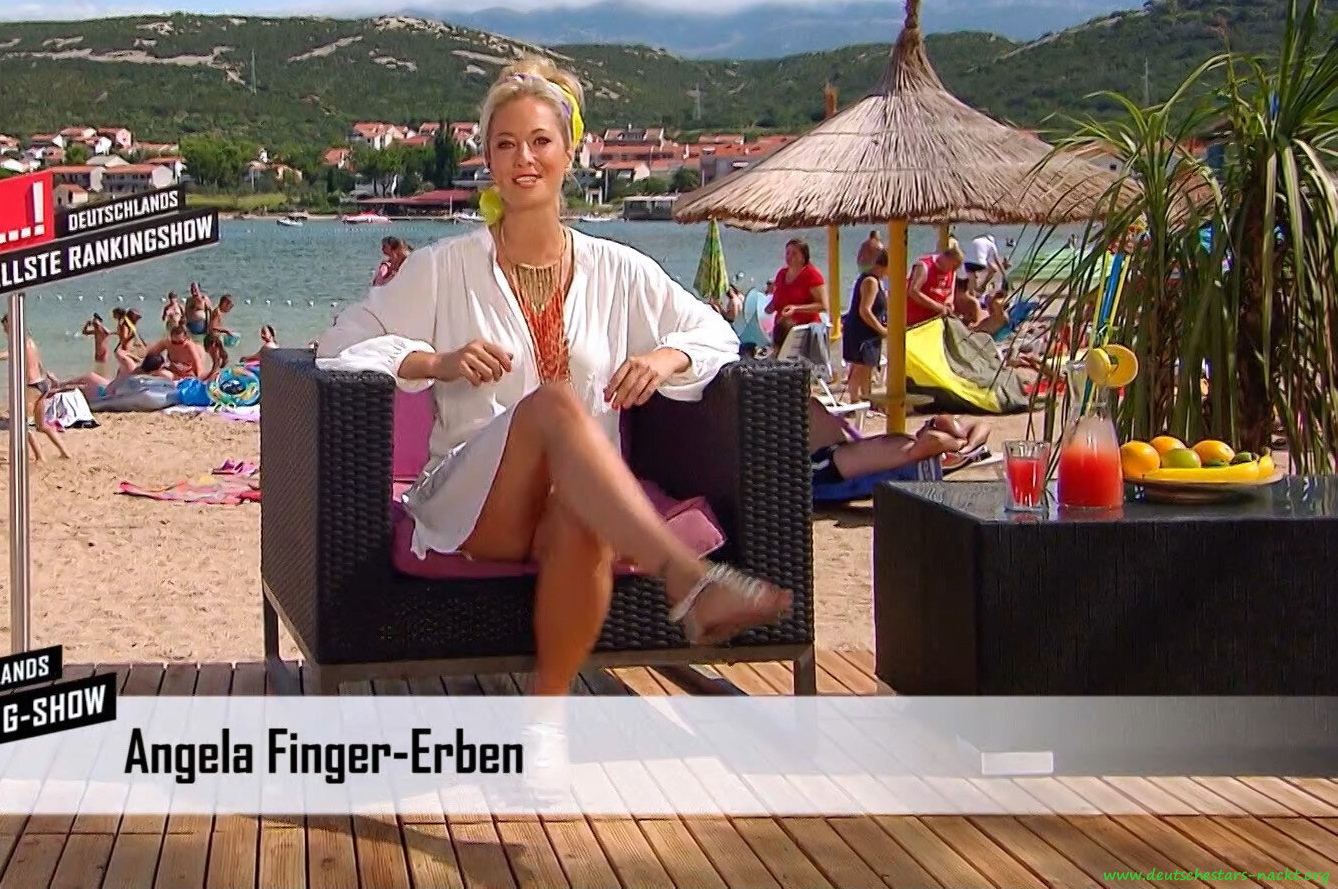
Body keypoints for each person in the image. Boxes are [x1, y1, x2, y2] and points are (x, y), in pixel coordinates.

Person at [314, 56, 792, 712]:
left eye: (540, 141)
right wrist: (435, 361)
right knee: (554, 405)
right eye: (505, 144)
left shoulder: (620, 270)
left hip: (582, 499)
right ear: (487, 159)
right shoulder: (443, 268)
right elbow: (340, 344)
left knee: (580, 513)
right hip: (474, 501)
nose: (524, 158)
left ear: (571, 152)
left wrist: (665, 359)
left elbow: (714, 333)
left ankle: (546, 722)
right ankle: (687, 579)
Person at [806, 400, 989, 488]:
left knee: (809, 404)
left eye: (930, 424)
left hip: (827, 464)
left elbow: (937, 440)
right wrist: (966, 444)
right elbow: (982, 425)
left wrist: (957, 443)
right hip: (834, 452)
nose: (925, 424)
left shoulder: (912, 449)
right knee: (811, 404)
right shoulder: (910, 443)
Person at [0, 316, 69, 460]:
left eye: (5, 327)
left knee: (22, 425)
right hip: (43, 384)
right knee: (41, 425)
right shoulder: (30, 341)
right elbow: (39, 363)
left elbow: (8, 354)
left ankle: (40, 457)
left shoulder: (18, 341)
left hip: (33, 387)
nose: (4, 330)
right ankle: (65, 453)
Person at [840, 250, 890, 402]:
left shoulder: (878, 281)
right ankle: (855, 400)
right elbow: (865, 310)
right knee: (859, 368)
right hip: (861, 331)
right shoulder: (870, 281)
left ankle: (867, 400)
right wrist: (882, 330)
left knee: (867, 368)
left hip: (869, 332)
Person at [764, 238, 829, 353]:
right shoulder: (781, 274)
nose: (789, 257)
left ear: (803, 257)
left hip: (804, 331)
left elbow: (823, 306)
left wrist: (796, 308)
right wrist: (771, 306)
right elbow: (779, 299)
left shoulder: (812, 275)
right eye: (787, 253)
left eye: (794, 253)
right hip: (782, 331)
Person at [905, 239, 967, 326]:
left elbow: (950, 293)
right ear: (946, 258)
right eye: (952, 265)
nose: (952, 269)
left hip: (937, 321)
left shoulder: (952, 271)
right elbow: (913, 291)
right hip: (917, 321)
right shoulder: (924, 266)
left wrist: (948, 303)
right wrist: (937, 307)